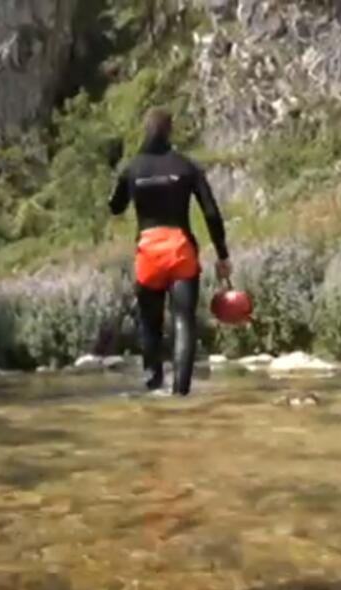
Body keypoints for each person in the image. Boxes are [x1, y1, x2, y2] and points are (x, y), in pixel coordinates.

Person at [108, 107, 232, 396]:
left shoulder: (133, 167)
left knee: (150, 324)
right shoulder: (186, 166)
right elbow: (211, 213)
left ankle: (154, 384)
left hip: (148, 252)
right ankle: (180, 393)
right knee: (184, 321)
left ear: (146, 130)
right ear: (170, 131)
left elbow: (115, 206)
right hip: (180, 251)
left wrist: (124, 184)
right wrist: (222, 255)